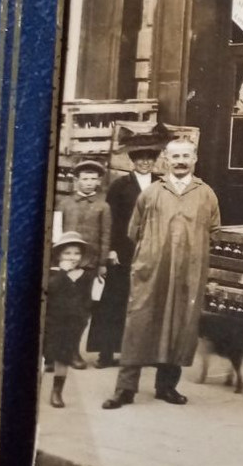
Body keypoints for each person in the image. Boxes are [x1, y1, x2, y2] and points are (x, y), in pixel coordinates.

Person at [103, 138, 220, 410]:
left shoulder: (206, 194)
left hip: (187, 275)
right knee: (139, 324)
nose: (180, 161)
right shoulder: (152, 193)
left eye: (185, 156)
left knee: (180, 325)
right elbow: (134, 231)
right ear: (165, 160)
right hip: (151, 270)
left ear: (195, 159)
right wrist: (151, 256)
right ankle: (125, 389)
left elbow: (214, 231)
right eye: (175, 156)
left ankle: (166, 386)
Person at [89, 141, 162, 367]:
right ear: (132, 161)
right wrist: (111, 249)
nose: (145, 162)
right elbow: (111, 221)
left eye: (149, 158)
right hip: (122, 252)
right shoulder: (120, 186)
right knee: (115, 301)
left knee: (146, 302)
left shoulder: (161, 185)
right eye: (140, 158)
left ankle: (143, 353)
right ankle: (106, 353)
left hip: (151, 251)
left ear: (155, 161)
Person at [54, 160, 112, 370]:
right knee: (60, 309)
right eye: (84, 178)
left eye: (93, 179)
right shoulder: (65, 204)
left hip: (89, 266)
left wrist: (102, 263)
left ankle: (73, 351)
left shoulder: (103, 206)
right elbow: (56, 233)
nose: (89, 183)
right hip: (65, 265)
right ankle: (55, 352)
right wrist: (57, 262)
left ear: (99, 181)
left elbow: (106, 236)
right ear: (76, 180)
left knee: (81, 311)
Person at [43, 233, 94, 409]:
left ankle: (57, 391)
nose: (72, 257)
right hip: (51, 321)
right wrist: (63, 272)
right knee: (44, 356)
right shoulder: (52, 273)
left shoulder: (86, 275)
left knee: (63, 357)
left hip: (72, 323)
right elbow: (51, 289)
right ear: (58, 255)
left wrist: (83, 317)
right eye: (67, 253)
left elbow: (87, 299)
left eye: (76, 253)